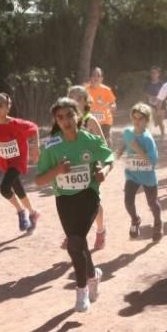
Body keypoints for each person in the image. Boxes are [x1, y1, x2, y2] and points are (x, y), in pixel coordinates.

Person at [35, 98, 114, 313]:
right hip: (65, 199)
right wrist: (57, 170)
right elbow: (39, 180)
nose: (66, 121)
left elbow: (109, 157)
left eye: (70, 115)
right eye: (60, 118)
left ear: (78, 116)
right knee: (79, 243)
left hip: (88, 196)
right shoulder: (52, 145)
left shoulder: (89, 140)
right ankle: (93, 275)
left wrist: (103, 172)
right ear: (56, 121)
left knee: (74, 242)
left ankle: (81, 291)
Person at [0, 93, 41, 232]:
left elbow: (34, 128)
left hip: (18, 159)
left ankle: (20, 212)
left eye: (1, 105)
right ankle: (33, 213)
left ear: (8, 108)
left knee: (4, 189)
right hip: (3, 161)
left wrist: (35, 147)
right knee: (18, 189)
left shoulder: (17, 124)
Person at [67, 85, 109, 250]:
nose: (74, 101)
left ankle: (100, 230)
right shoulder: (64, 120)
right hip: (71, 168)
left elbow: (103, 145)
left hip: (90, 167)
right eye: (71, 97)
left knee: (92, 203)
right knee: (71, 202)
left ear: (86, 101)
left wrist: (99, 165)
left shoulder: (90, 120)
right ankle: (74, 235)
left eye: (78, 98)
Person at [118, 103, 162, 241]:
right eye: (134, 118)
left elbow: (151, 162)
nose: (137, 121)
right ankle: (135, 220)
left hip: (147, 176)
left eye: (140, 119)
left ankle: (158, 223)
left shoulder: (148, 139)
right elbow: (127, 141)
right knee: (128, 201)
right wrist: (121, 149)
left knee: (152, 203)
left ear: (146, 121)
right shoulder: (128, 132)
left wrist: (136, 148)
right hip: (132, 174)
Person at [86, 67, 117, 142]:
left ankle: (107, 138)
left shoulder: (106, 90)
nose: (96, 77)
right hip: (91, 120)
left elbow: (114, 105)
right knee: (91, 142)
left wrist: (110, 106)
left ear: (101, 79)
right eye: (94, 75)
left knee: (101, 142)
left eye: (98, 75)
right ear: (90, 78)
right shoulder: (85, 89)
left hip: (105, 121)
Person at [146, 66, 166, 137]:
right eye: (152, 73)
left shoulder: (162, 84)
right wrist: (151, 100)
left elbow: (164, 95)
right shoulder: (148, 84)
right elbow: (147, 95)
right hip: (151, 103)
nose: (153, 74)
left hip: (161, 104)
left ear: (158, 74)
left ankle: (163, 134)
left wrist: (159, 104)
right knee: (152, 116)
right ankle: (149, 133)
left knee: (160, 121)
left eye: (155, 73)